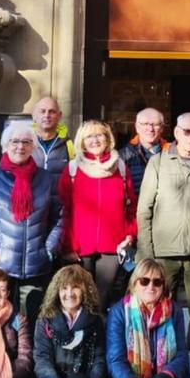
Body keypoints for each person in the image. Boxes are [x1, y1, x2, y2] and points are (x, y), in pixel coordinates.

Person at [0, 120, 62, 320]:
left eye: (27, 142)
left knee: (30, 326)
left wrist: (49, 250)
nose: (20, 146)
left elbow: (58, 218)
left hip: (35, 267)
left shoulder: (46, 179)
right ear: (5, 146)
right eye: (15, 141)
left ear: (33, 147)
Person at [136, 113, 190, 325]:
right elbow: (144, 210)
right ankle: (163, 357)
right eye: (187, 131)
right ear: (176, 132)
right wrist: (147, 253)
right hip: (164, 250)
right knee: (159, 312)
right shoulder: (159, 162)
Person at [57, 120, 137, 307]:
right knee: (79, 301)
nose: (94, 140)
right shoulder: (72, 169)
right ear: (81, 141)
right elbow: (63, 210)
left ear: (108, 139)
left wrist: (129, 235)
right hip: (79, 248)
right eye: (89, 136)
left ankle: (101, 336)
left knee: (103, 301)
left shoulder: (121, 168)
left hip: (112, 245)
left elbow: (132, 206)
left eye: (99, 135)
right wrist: (68, 245)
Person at [119, 107, 170, 195]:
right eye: (145, 124)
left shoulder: (172, 153)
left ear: (162, 128)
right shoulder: (123, 156)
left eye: (156, 124)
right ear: (137, 127)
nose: (150, 129)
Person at [30, 96, 73, 178]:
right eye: (42, 111)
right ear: (34, 115)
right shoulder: (25, 143)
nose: (47, 115)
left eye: (52, 112)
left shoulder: (68, 145)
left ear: (59, 116)